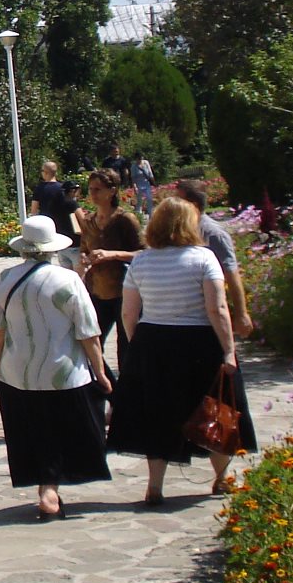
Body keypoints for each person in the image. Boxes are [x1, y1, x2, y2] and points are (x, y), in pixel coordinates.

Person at [106, 198, 258, 504]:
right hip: (199, 340)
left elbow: (128, 312)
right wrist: (229, 350)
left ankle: (155, 487)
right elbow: (217, 308)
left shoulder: (142, 261)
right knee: (213, 408)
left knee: (157, 413)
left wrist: (139, 344)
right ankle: (222, 478)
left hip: (153, 340)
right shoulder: (203, 258)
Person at [0, 216, 112, 519]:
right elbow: (88, 332)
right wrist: (101, 372)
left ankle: (46, 487)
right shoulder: (67, 279)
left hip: (18, 373)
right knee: (66, 430)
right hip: (65, 372)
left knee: (34, 432)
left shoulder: (4, 279)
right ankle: (50, 489)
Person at [77, 168, 143, 370]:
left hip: (124, 290)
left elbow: (144, 254)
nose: (93, 194)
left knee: (127, 349)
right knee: (89, 344)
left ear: (112, 191)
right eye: (90, 189)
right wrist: (84, 258)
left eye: (98, 189)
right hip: (97, 290)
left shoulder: (125, 220)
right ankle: (110, 388)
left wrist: (113, 254)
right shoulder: (88, 221)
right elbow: (84, 249)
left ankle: (125, 395)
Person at [175, 177, 254, 338]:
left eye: (178, 200)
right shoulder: (177, 231)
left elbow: (231, 275)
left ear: (193, 205)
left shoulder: (214, 234)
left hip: (208, 318)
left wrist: (241, 314)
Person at [30, 161, 79, 273]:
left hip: (45, 226)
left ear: (46, 173)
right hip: (62, 225)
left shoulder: (40, 189)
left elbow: (34, 210)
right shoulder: (62, 188)